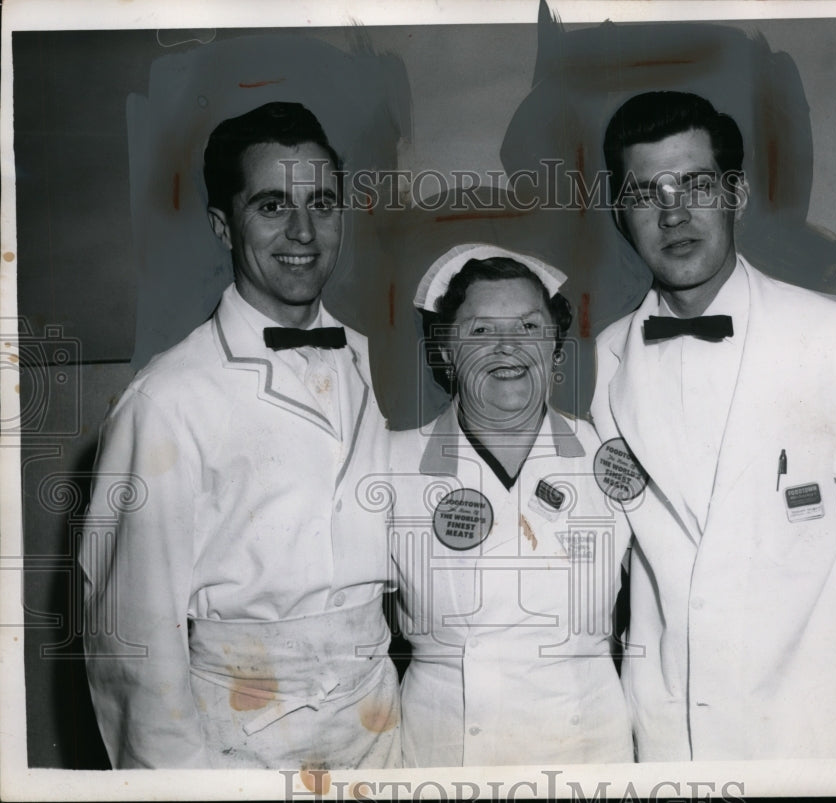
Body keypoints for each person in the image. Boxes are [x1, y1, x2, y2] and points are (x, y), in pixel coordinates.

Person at [590, 91, 836, 760]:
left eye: (696, 183)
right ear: (620, 213)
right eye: (646, 192)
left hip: (814, 748)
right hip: (668, 750)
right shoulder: (606, 363)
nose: (674, 212)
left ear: (737, 193)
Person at [80, 102, 400, 769]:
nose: (304, 231)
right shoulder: (167, 399)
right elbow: (133, 639)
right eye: (273, 206)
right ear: (223, 225)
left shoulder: (371, 364)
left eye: (322, 202)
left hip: (378, 731)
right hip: (243, 744)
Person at [383, 243, 633, 766]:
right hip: (444, 760)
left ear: (555, 346)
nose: (507, 348)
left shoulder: (610, 460)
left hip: (586, 758)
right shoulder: (392, 465)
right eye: (480, 331)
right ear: (445, 350)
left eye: (528, 327)